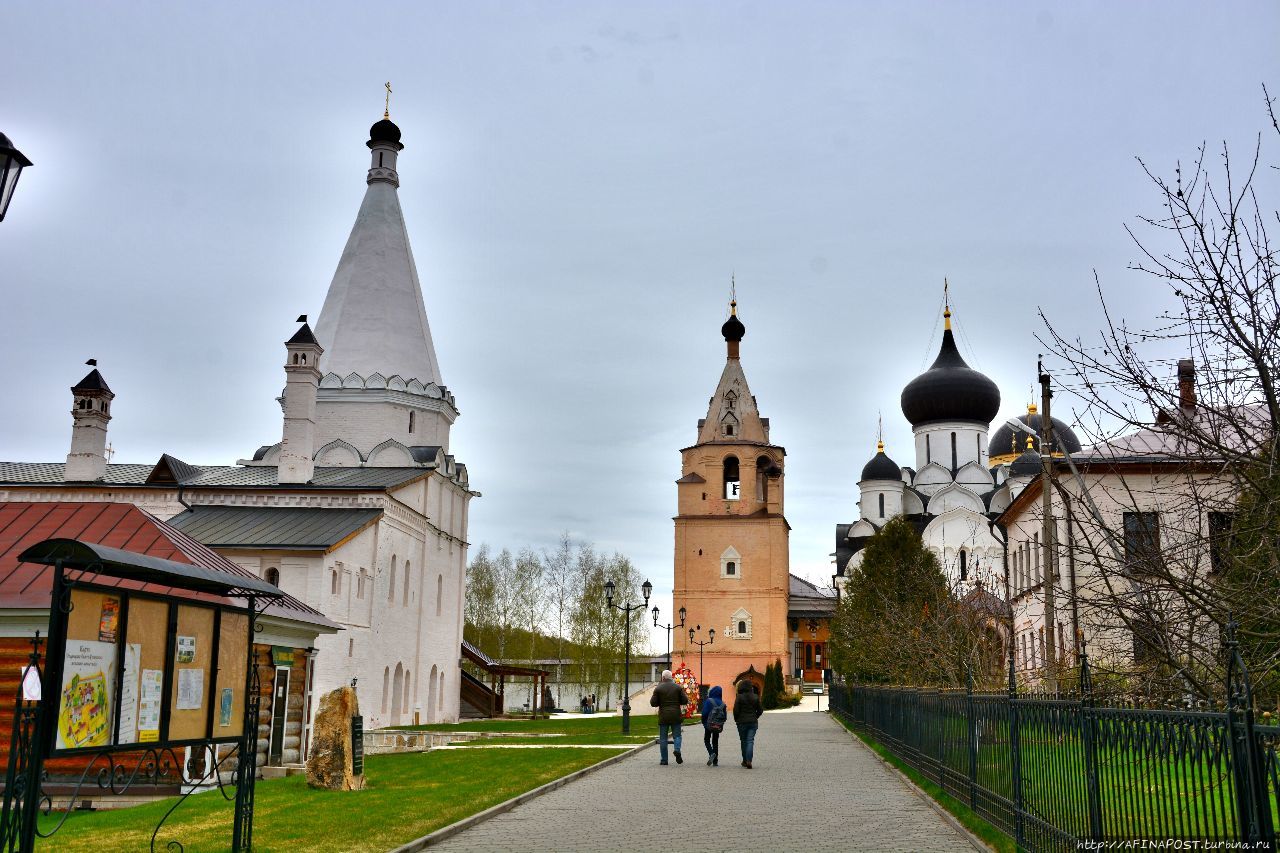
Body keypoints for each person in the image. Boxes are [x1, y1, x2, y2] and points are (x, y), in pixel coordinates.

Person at [649, 669, 689, 765]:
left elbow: (653, 703)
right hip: (676, 715)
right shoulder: (678, 687)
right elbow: (685, 701)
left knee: (663, 738)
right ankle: (677, 749)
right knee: (677, 735)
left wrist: (660, 702)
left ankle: (664, 760)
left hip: (663, 716)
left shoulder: (658, 688)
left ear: (663, 677)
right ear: (671, 677)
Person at [733, 680, 763, 769]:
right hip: (753, 722)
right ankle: (749, 760)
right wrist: (755, 717)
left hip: (741, 722)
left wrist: (736, 719)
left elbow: (736, 710)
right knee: (750, 741)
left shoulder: (739, 697)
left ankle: (745, 760)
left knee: (743, 741)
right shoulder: (755, 697)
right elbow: (760, 710)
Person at [700, 685, 726, 766]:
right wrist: (720, 723)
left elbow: (704, 713)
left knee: (706, 740)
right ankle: (715, 761)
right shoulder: (723, 703)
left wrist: (703, 722)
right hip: (717, 725)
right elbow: (724, 717)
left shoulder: (709, 701)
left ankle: (711, 753)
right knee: (715, 741)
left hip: (708, 724)